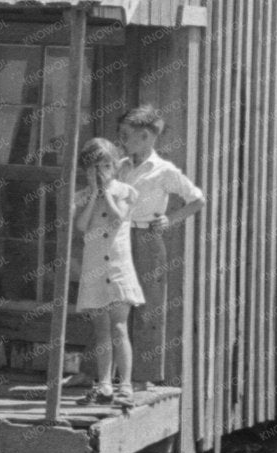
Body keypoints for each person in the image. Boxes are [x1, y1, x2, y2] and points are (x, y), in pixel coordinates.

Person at [117, 105, 206, 389]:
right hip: (118, 239)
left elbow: (197, 199)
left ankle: (144, 376)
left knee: (148, 306)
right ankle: (101, 374)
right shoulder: (120, 166)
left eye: (126, 135)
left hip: (147, 240)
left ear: (145, 137)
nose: (122, 140)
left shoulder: (163, 170)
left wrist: (171, 219)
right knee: (111, 302)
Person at [72, 136, 144, 407]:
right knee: (101, 329)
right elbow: (82, 226)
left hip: (117, 268)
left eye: (104, 166)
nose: (100, 172)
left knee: (119, 326)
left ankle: (124, 384)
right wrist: (93, 193)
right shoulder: (83, 196)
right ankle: (104, 383)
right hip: (95, 269)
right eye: (93, 167)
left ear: (114, 166)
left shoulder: (125, 191)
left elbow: (119, 218)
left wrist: (106, 193)